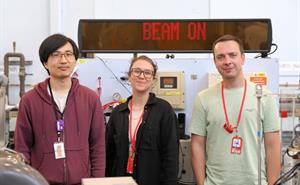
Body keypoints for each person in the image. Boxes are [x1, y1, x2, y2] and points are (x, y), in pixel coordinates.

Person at [14, 33, 105, 185]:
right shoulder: (29, 100)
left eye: (68, 54)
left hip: (82, 182)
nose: (63, 60)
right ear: (45, 62)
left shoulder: (90, 98)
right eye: (56, 55)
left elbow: (98, 146)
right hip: (42, 182)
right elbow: (22, 148)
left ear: (75, 60)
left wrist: (96, 182)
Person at [190, 34, 281, 185]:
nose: (227, 61)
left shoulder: (265, 96)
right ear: (215, 61)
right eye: (221, 57)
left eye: (232, 55)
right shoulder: (203, 98)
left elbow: (273, 146)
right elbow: (197, 145)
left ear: (243, 58)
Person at [106, 55, 179, 185]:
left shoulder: (164, 110)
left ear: (153, 80)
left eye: (147, 73)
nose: (141, 76)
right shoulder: (117, 113)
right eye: (137, 71)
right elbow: (109, 154)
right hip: (120, 180)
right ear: (129, 76)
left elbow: (171, 157)